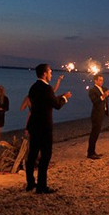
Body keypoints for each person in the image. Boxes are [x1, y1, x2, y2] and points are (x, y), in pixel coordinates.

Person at [25, 64, 71, 194]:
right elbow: (56, 105)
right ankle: (41, 186)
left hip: (34, 126)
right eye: (50, 72)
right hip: (44, 127)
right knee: (45, 156)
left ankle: (30, 183)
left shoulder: (33, 87)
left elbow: (45, 101)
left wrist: (59, 96)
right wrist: (65, 98)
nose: (51, 74)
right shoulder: (47, 88)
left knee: (32, 155)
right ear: (44, 74)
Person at [87, 73, 109, 159]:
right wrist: (103, 96)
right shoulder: (92, 90)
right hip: (96, 115)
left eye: (102, 80)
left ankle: (93, 151)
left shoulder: (103, 89)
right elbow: (95, 101)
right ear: (95, 81)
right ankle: (90, 153)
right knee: (94, 133)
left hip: (102, 114)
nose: (101, 82)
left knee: (97, 133)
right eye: (100, 80)